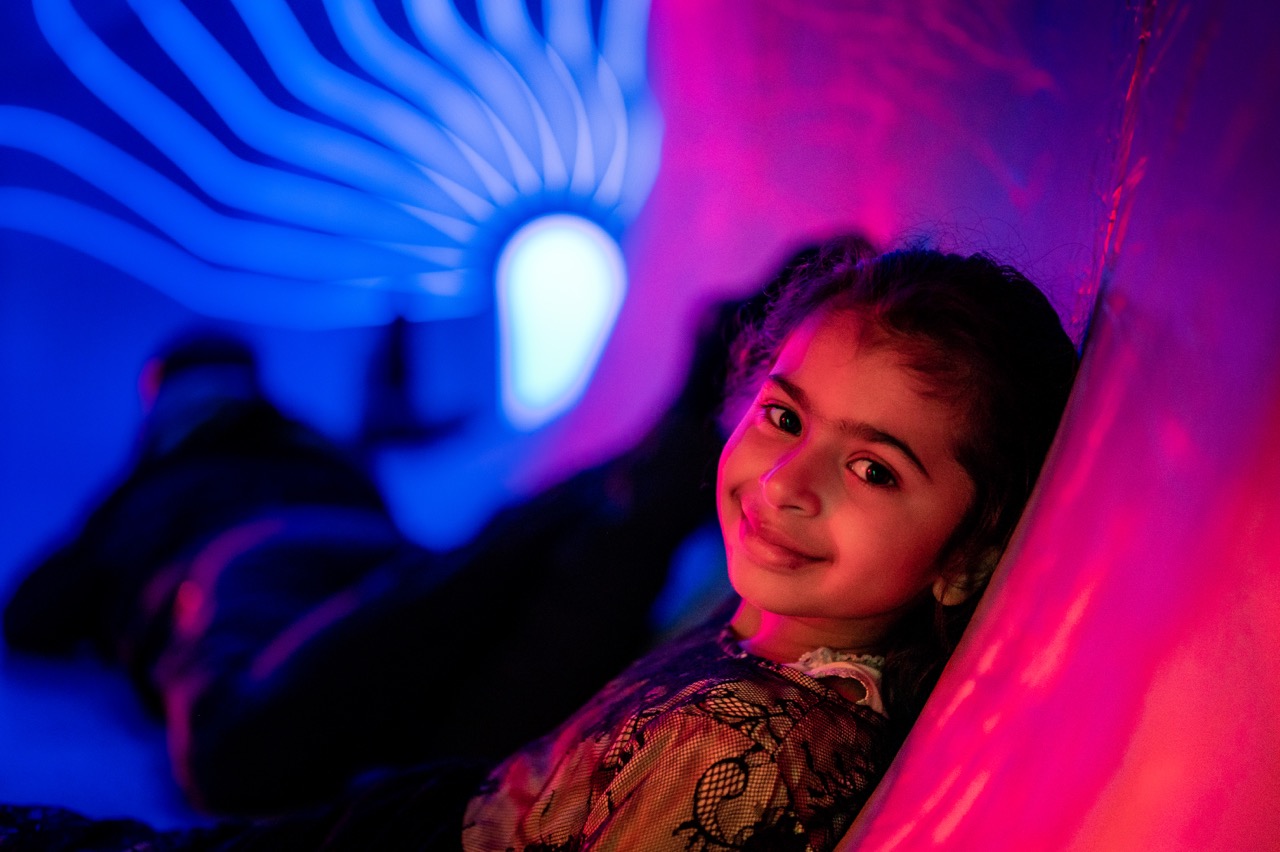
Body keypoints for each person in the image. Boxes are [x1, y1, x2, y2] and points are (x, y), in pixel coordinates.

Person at [0, 236, 1078, 851]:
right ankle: (644, 473)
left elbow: (34, 611)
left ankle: (643, 474)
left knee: (243, 754)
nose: (786, 484)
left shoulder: (158, 494)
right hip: (430, 718)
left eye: (871, 466)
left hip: (275, 601)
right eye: (783, 417)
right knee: (447, 615)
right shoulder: (227, 470)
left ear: (965, 548)